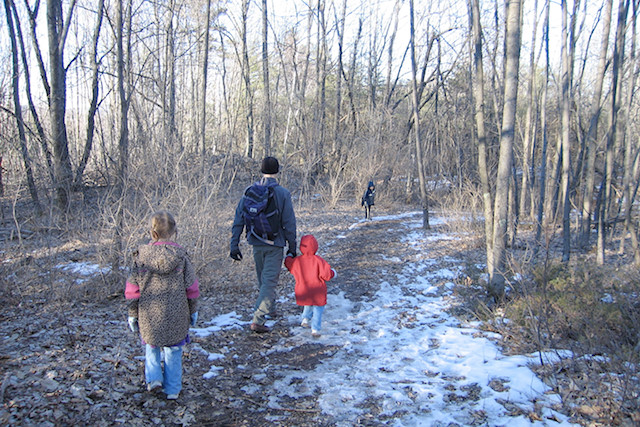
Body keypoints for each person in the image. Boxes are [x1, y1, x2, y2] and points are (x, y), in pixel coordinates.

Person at [125, 211, 200, 400]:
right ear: (174, 231)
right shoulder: (181, 257)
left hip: (149, 314)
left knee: (151, 346)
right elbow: (192, 287)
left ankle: (154, 379)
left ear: (153, 232)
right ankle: (173, 389)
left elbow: (133, 289)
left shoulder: (141, 257)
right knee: (174, 350)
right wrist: (193, 310)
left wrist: (132, 313)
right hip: (177, 313)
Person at [230, 156, 297, 333]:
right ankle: (258, 319)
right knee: (269, 281)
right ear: (277, 171)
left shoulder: (249, 191)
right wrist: (292, 246)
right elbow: (289, 222)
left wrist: (234, 244)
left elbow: (239, 219)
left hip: (255, 241)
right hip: (275, 244)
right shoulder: (282, 193)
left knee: (263, 279)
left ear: (261, 170)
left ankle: (271, 308)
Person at [284, 235, 336, 338]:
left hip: (303, 290)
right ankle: (315, 329)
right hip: (318, 291)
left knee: (308, 303)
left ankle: (305, 319)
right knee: (318, 309)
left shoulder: (297, 261)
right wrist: (333, 273)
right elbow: (327, 275)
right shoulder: (319, 260)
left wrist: (289, 256)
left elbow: (288, 264)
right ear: (315, 247)